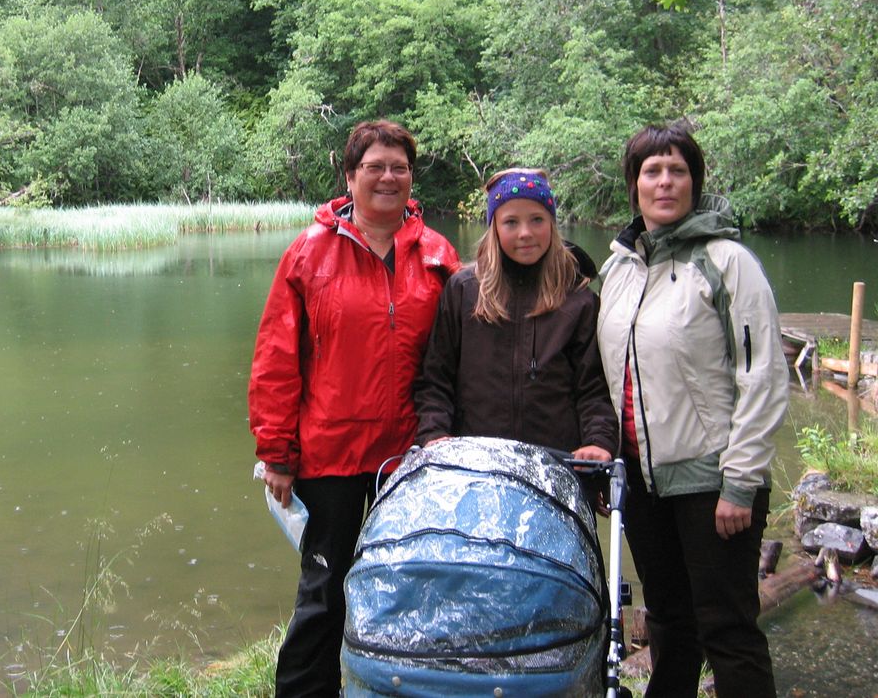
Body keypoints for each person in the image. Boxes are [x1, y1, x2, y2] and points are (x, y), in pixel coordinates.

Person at [248, 120, 460, 698]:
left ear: (411, 178)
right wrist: (276, 453)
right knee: (324, 589)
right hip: (330, 454)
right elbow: (274, 360)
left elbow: (462, 357)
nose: (388, 177)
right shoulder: (309, 254)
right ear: (350, 176)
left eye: (399, 167)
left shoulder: (439, 257)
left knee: (414, 585)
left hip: (412, 458)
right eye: (375, 167)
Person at [596, 123, 788, 698]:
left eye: (677, 170)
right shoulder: (621, 270)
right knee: (669, 622)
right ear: (634, 185)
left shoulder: (728, 262)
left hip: (712, 480)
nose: (664, 182)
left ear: (694, 182)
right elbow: (611, 378)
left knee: (729, 629)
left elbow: (761, 375)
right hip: (645, 485)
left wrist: (741, 481)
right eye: (651, 171)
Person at [413, 168, 617, 464]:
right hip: (476, 464)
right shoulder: (463, 290)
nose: (525, 233)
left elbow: (594, 390)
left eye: (537, 220)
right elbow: (436, 379)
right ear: (494, 227)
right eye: (511, 222)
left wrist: (599, 441)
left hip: (555, 465)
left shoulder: (579, 298)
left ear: (552, 223)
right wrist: (434, 432)